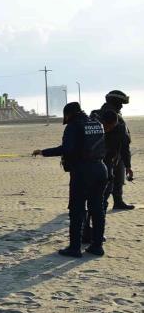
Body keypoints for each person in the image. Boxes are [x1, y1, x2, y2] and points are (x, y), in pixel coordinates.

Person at [33, 102, 108, 257]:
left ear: (68, 114)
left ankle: (74, 248)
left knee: (77, 210)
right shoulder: (96, 123)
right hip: (101, 169)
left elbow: (67, 149)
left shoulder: (73, 126)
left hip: (82, 172)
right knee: (97, 208)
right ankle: (97, 246)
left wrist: (43, 152)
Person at [83, 109, 129, 243]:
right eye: (107, 126)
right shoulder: (93, 128)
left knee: (101, 203)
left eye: (111, 126)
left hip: (106, 168)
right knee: (91, 204)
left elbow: (124, 148)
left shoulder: (119, 130)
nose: (108, 129)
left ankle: (96, 235)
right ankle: (88, 234)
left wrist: (128, 166)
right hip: (94, 168)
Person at [92, 90, 134, 209]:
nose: (121, 106)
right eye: (121, 103)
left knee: (103, 181)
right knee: (112, 181)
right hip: (112, 155)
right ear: (117, 103)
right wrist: (128, 165)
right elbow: (125, 145)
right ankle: (112, 202)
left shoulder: (95, 115)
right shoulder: (117, 119)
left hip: (96, 156)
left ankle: (101, 203)